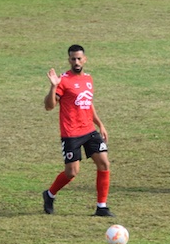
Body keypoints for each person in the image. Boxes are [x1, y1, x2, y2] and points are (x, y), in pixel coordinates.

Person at [42, 44, 115, 217]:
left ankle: (102, 206)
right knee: (71, 172)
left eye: (79, 58)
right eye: (73, 59)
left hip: (89, 130)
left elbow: (88, 103)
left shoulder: (88, 79)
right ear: (69, 60)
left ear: (85, 59)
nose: (76, 61)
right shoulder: (63, 81)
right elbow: (49, 106)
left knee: (104, 163)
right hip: (71, 134)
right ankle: (50, 194)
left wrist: (100, 124)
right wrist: (53, 87)